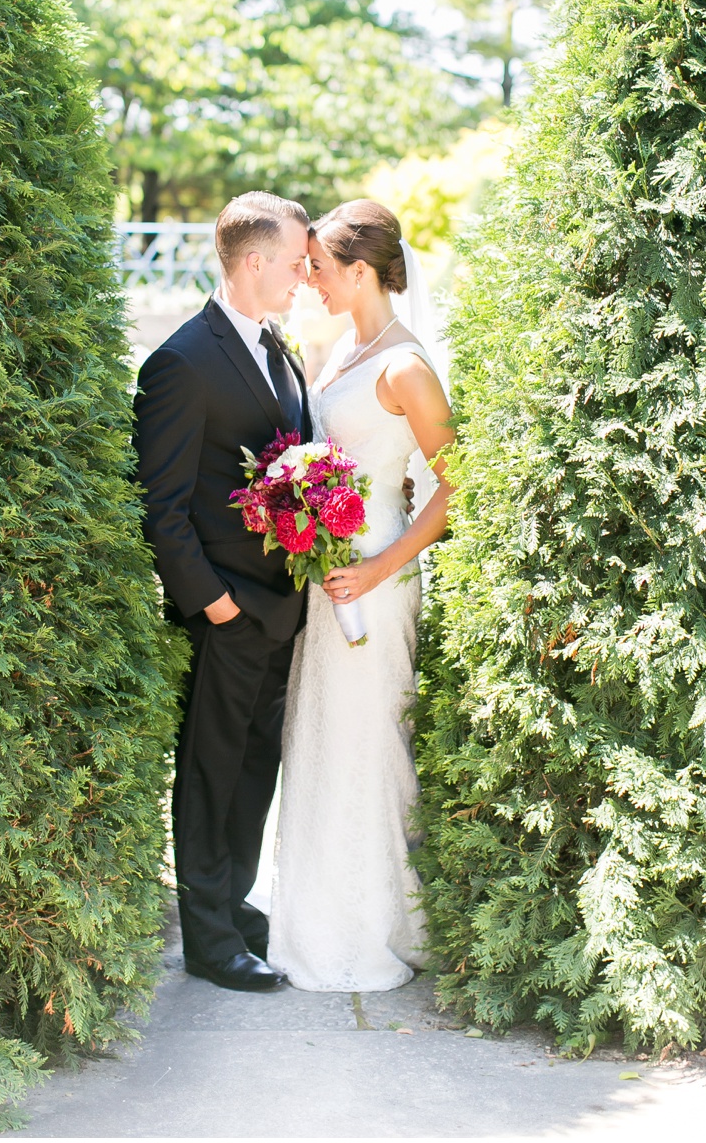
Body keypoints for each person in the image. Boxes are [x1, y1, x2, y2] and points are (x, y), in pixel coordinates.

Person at [264, 200, 454, 992]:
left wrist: (378, 569)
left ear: (362, 271)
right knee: (321, 740)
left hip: (376, 577)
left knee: (367, 747)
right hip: (327, 571)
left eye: (319, 266)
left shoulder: (404, 365)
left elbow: (458, 489)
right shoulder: (341, 346)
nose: (307, 279)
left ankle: (373, 927)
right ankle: (313, 921)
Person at [132, 191, 312, 994]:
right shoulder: (182, 361)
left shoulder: (284, 351)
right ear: (253, 261)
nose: (305, 275)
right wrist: (214, 603)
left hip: (281, 608)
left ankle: (231, 906)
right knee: (209, 770)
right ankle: (207, 937)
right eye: (297, 261)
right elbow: (161, 506)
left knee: (254, 766)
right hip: (226, 612)